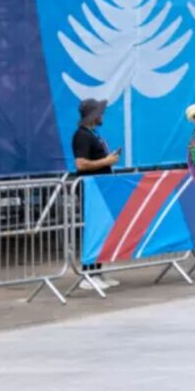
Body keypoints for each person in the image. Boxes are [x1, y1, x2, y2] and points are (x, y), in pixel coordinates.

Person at [72, 98, 121, 290]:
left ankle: (97, 272)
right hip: (91, 189)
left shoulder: (92, 134)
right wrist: (106, 161)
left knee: (101, 231)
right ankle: (88, 274)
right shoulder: (82, 136)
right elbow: (81, 163)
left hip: (100, 189)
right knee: (93, 231)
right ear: (92, 116)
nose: (102, 116)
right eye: (100, 113)